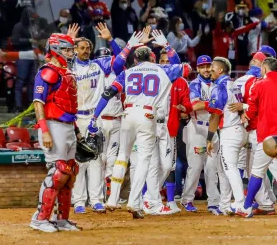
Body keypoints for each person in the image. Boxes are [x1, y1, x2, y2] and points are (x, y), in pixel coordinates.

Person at [88, 34, 190, 219]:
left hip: (127, 115)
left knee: (122, 157)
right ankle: (134, 202)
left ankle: (112, 198)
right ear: (152, 57)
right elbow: (185, 68)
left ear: (135, 59)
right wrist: (167, 46)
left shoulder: (127, 72)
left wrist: (95, 116)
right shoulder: (162, 70)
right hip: (148, 116)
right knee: (143, 161)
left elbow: (108, 92)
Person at [71, 25, 126, 215]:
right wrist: (69, 40)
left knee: (95, 159)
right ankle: (78, 201)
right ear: (75, 50)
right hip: (77, 117)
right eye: (82, 48)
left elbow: (120, 62)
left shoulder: (99, 65)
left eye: (88, 48)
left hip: (95, 117)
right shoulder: (70, 67)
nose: (86, 51)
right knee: (79, 161)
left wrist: (110, 40)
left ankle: (96, 200)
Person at [29, 33, 81, 233]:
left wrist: (77, 132)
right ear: (57, 49)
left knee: (70, 173)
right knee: (57, 173)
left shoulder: (65, 72)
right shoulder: (47, 72)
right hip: (53, 125)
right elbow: (38, 103)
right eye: (67, 49)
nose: (70, 53)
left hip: (68, 125)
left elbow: (69, 106)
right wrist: (45, 131)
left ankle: (62, 219)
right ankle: (40, 219)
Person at [237, 57, 277, 218]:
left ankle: (246, 207)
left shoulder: (259, 85)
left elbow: (251, 110)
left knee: (257, 172)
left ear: (264, 69)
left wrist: (246, 117)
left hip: (268, 137)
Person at [143, 30, 190, 215]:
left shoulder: (172, 76)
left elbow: (179, 66)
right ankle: (147, 198)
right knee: (148, 163)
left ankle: (150, 198)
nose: (164, 65)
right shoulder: (148, 74)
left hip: (166, 124)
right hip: (147, 123)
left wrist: (167, 47)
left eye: (166, 62)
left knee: (167, 164)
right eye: (160, 61)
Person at [231, 52, 277, 215]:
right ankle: (268, 200)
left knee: (255, 169)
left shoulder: (249, 82)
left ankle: (263, 203)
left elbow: (244, 106)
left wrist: (244, 114)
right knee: (267, 168)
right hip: (271, 128)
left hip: (255, 129)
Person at [205, 57, 246, 214]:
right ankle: (225, 204)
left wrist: (209, 138)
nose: (210, 70)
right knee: (223, 168)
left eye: (212, 67)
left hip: (230, 131)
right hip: (238, 130)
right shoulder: (233, 84)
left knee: (230, 168)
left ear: (220, 70)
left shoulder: (220, 87)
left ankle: (241, 203)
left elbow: (215, 116)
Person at [181, 55, 222, 214]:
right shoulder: (195, 84)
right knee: (196, 166)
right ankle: (187, 199)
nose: (206, 69)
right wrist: (212, 104)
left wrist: (210, 105)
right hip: (197, 128)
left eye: (208, 66)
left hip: (212, 128)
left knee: (212, 167)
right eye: (202, 66)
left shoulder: (217, 84)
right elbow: (195, 105)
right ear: (197, 69)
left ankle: (213, 202)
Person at [12, 7, 48, 112]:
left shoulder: (33, 27)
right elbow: (15, 41)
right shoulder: (18, 27)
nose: (32, 19)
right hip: (23, 55)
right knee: (21, 80)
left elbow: (37, 37)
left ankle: (30, 104)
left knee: (32, 81)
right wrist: (29, 40)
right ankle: (18, 105)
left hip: (34, 55)